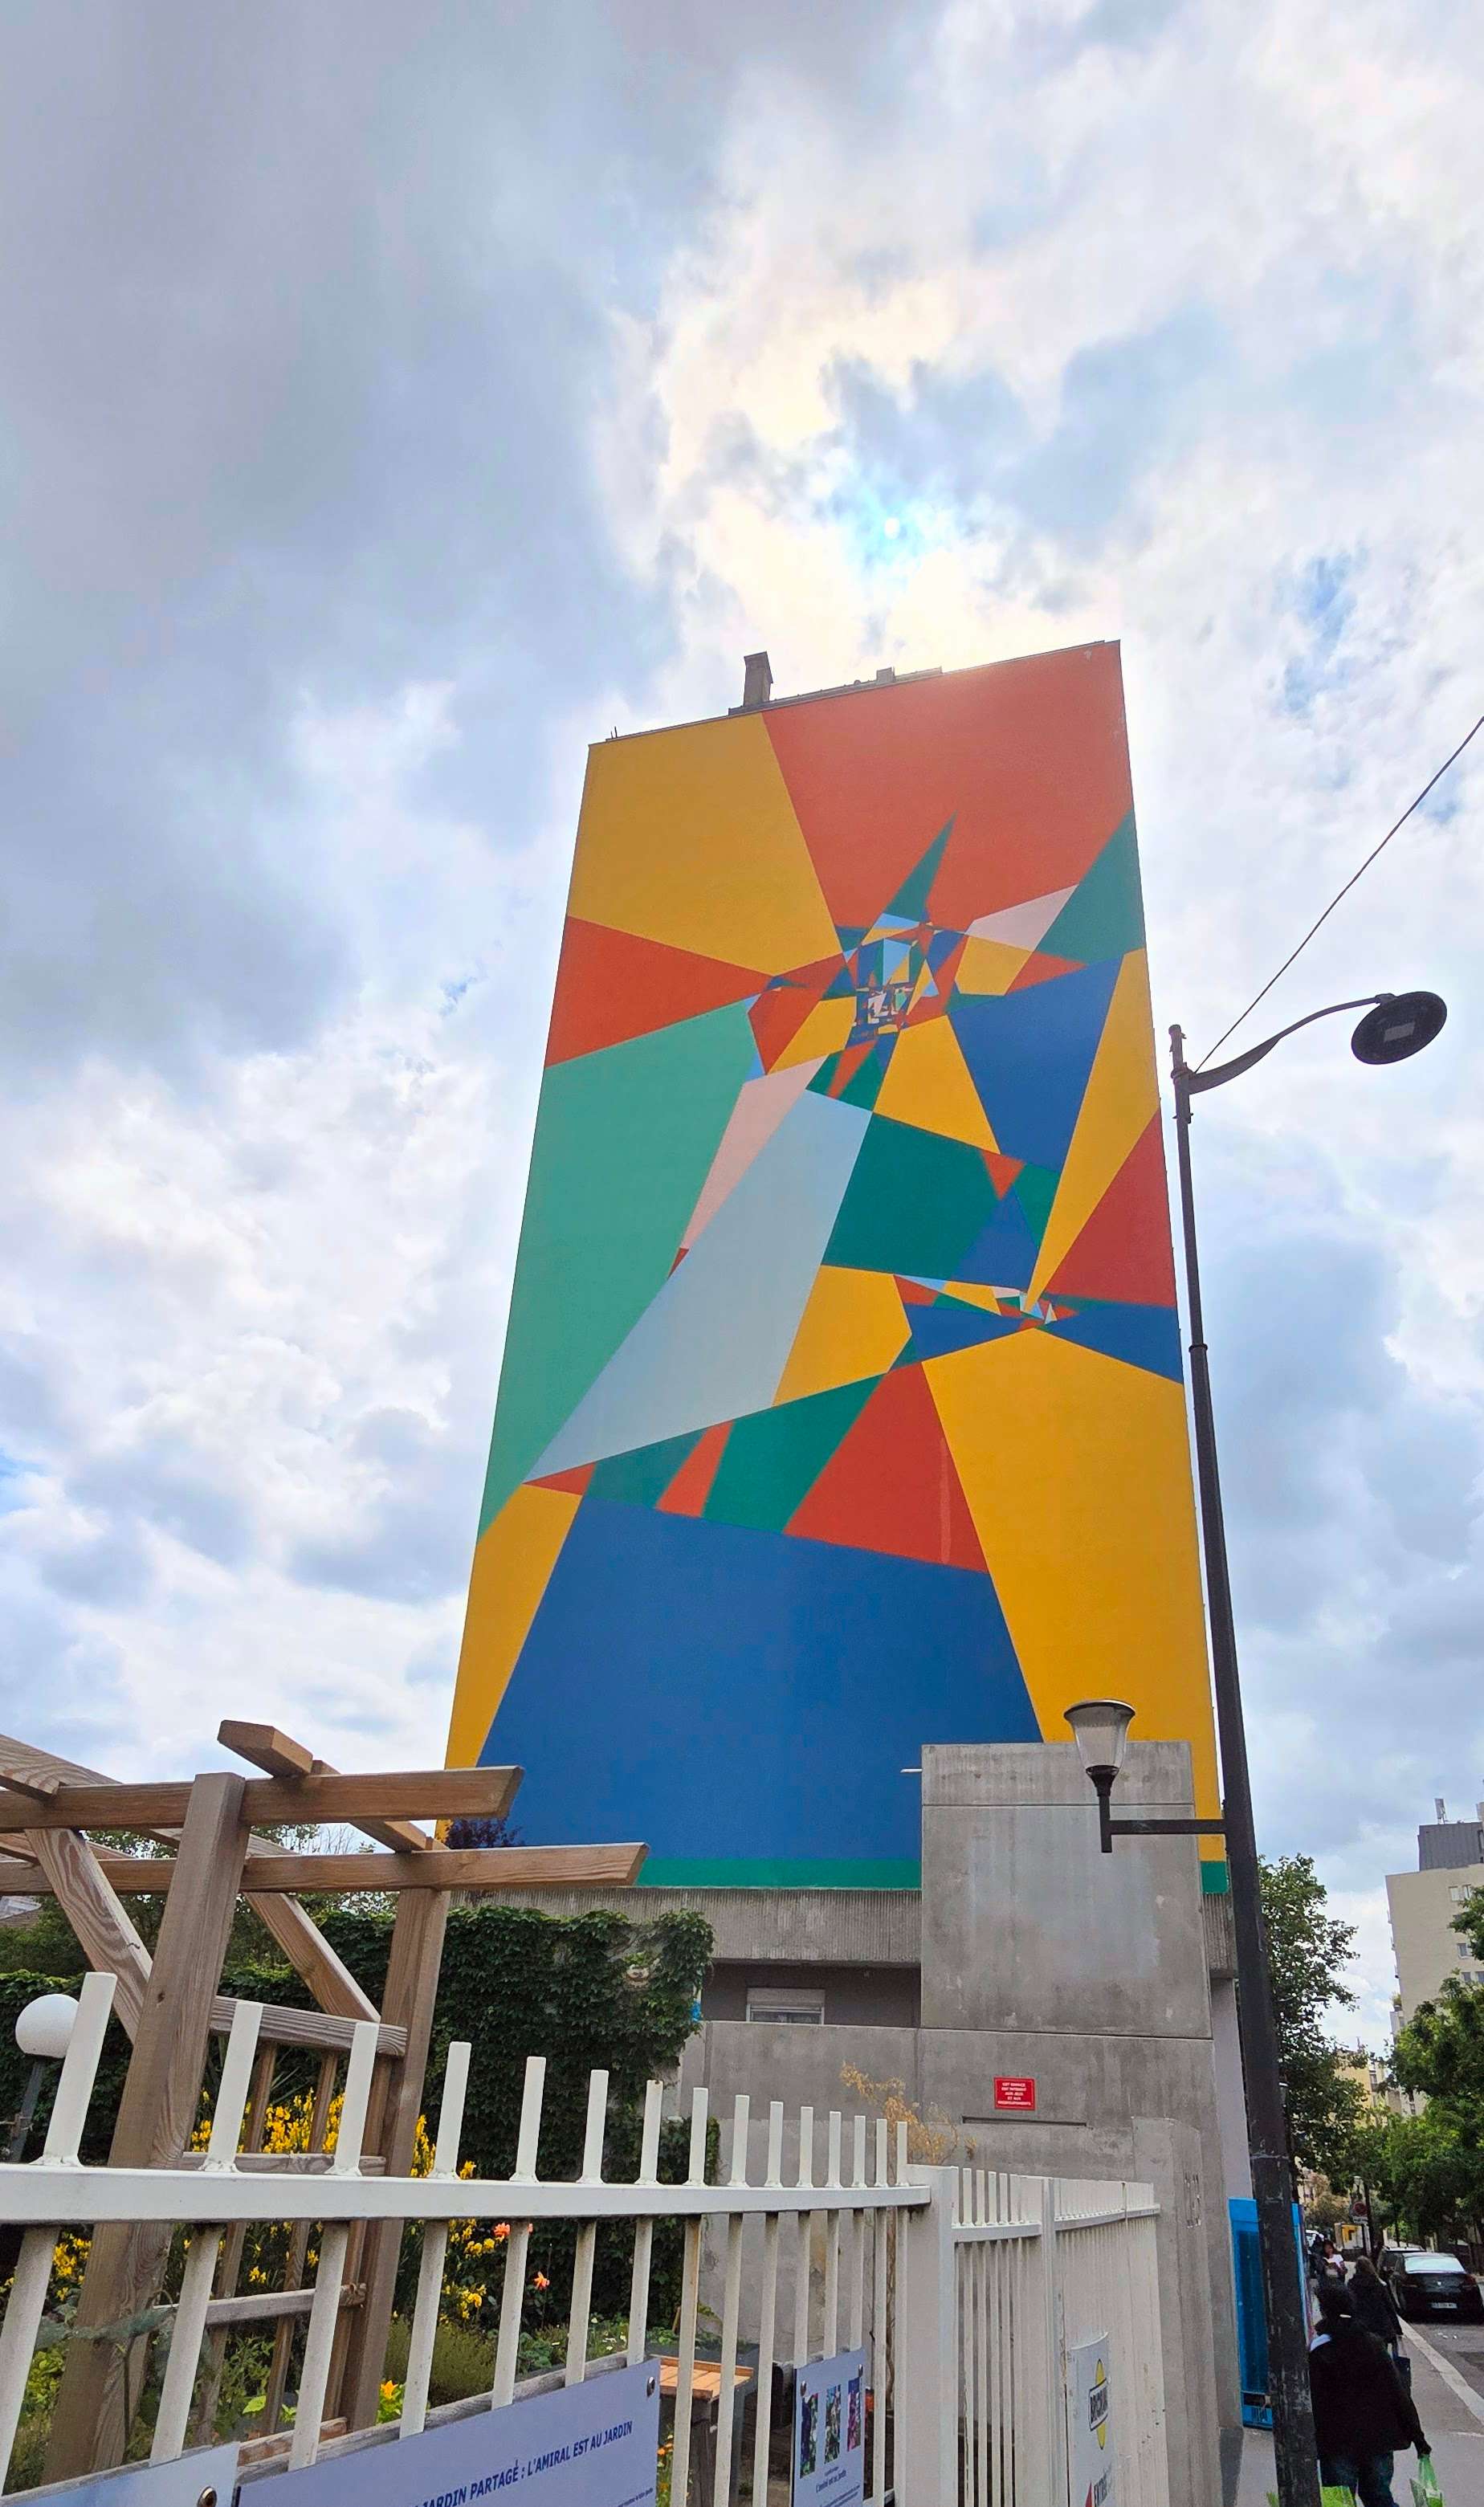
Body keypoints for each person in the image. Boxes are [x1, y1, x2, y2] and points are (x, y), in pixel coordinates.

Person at [1308, 2283, 1429, 2506]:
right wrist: (1418, 2438)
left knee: (1340, 2501)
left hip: (1337, 2440)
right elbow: (1397, 2393)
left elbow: (1313, 2400)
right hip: (1378, 2438)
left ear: (1325, 2310)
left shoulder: (1320, 2350)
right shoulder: (1373, 2344)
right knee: (1379, 2497)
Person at [1350, 2255, 1409, 2383]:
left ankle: (1368, 2379)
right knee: (1382, 2356)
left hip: (1361, 2327)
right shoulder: (1379, 2285)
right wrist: (1397, 2329)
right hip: (1381, 2327)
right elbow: (1390, 2308)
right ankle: (1381, 2380)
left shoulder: (1352, 2285)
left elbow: (1349, 2307)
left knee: (1364, 2357)